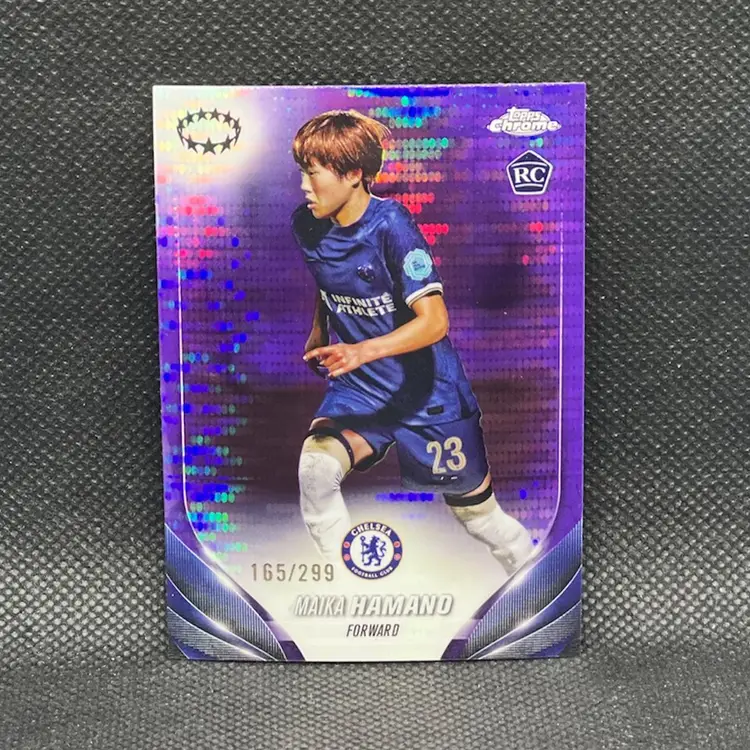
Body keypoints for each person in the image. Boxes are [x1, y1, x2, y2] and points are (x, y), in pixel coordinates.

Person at [290, 109, 534, 576]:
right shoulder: (307, 225)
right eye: (302, 171)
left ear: (353, 174)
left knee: (480, 519)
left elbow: (435, 322)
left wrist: (361, 349)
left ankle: (534, 576)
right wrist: (319, 328)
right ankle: (345, 583)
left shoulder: (393, 226)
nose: (304, 185)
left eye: (313, 173)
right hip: (363, 387)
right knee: (316, 470)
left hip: (428, 394)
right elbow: (328, 279)